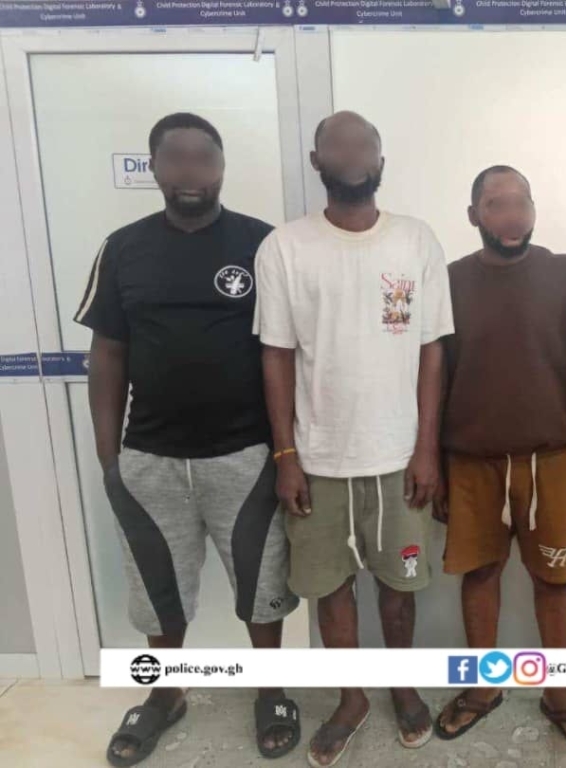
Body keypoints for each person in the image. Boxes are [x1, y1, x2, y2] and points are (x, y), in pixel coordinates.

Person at [77, 113, 301, 767]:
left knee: (261, 585)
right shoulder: (123, 248)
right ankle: (165, 693)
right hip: (150, 458)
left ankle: (270, 690)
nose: (190, 172)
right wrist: (110, 457)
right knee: (158, 591)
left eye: (203, 158)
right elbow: (107, 353)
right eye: (175, 158)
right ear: (154, 167)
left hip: (245, 456)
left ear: (222, 166)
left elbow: (284, 351)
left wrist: (285, 449)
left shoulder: (262, 244)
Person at [254, 111, 453, 767]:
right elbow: (276, 356)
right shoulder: (285, 247)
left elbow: (431, 350)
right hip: (317, 458)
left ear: (381, 161)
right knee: (329, 586)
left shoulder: (416, 241)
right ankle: (351, 697)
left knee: (400, 584)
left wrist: (426, 448)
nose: (351, 154)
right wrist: (287, 456)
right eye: (336, 145)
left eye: (364, 144)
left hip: (399, 456)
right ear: (317, 160)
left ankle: (402, 686)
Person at [433, 166, 566, 752]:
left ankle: (559, 694)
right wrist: (433, 461)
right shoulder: (449, 280)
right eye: (495, 204)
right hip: (471, 460)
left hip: (552, 458)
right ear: (473, 215)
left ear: (534, 209)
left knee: (554, 580)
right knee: (480, 574)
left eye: (521, 203)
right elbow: (435, 376)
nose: (511, 216)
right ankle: (484, 688)